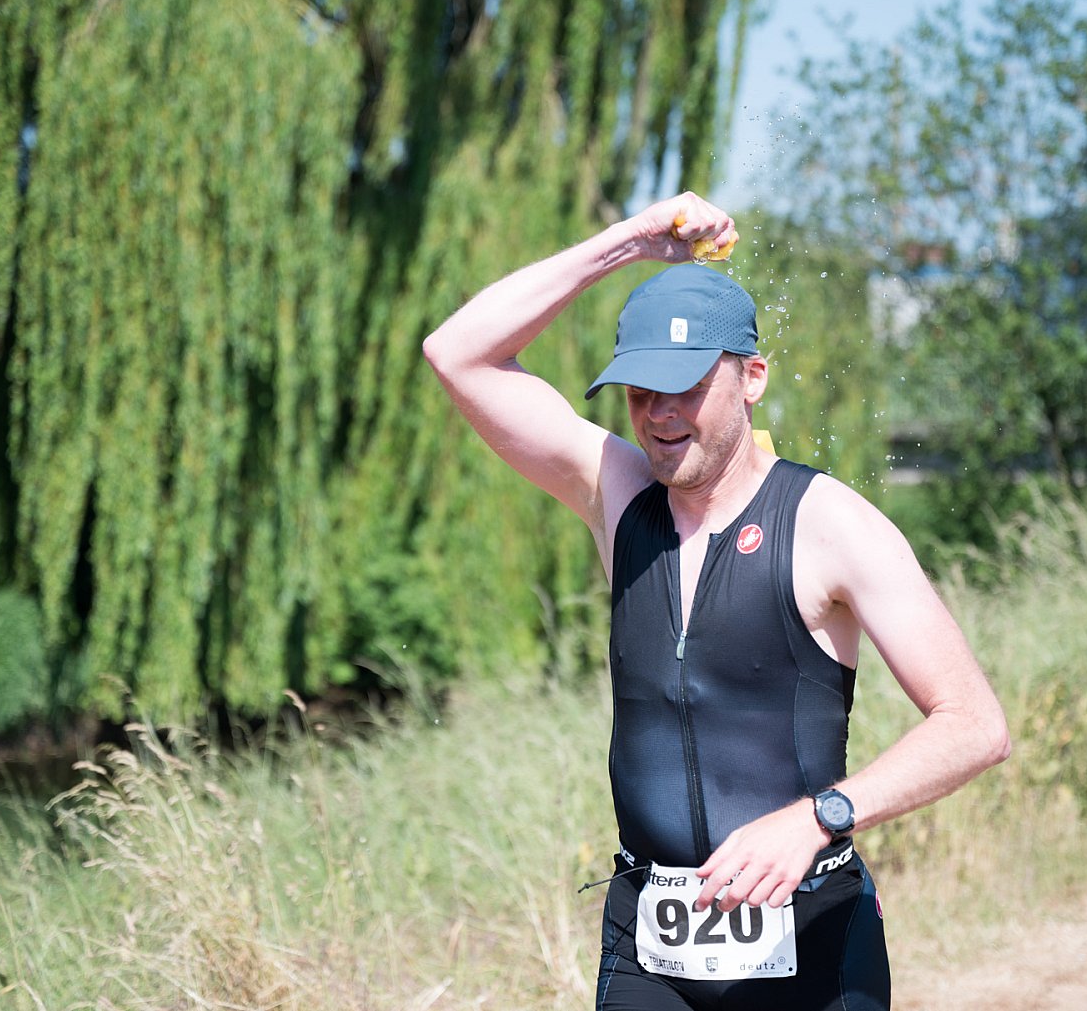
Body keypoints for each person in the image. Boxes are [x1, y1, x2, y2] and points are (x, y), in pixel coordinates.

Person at [423, 192, 1010, 1010]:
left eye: (687, 386)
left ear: (752, 377)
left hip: (809, 936)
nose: (661, 414)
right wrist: (631, 242)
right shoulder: (616, 494)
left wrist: (818, 817)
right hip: (652, 944)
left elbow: (975, 724)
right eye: (640, 391)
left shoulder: (830, 524)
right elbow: (457, 353)